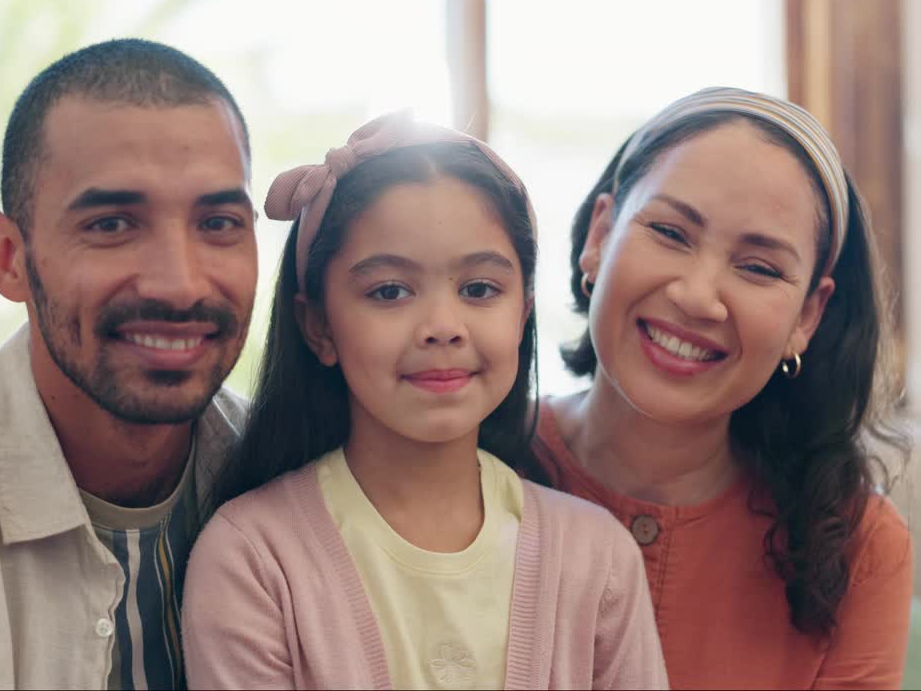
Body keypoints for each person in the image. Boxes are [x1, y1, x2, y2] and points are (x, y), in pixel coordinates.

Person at [181, 112, 668, 690]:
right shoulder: (252, 560)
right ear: (318, 326)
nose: (443, 326)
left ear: (524, 311)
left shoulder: (599, 558)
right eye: (389, 291)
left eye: (479, 289)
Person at [0, 39, 258, 689]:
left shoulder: (294, 473)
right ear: (8, 258)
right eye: (114, 224)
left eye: (220, 222)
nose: (179, 284)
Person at [534, 87, 913, 689]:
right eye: (670, 232)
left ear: (806, 319)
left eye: (759, 268)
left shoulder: (857, 544)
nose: (696, 296)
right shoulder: (466, 461)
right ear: (600, 236)